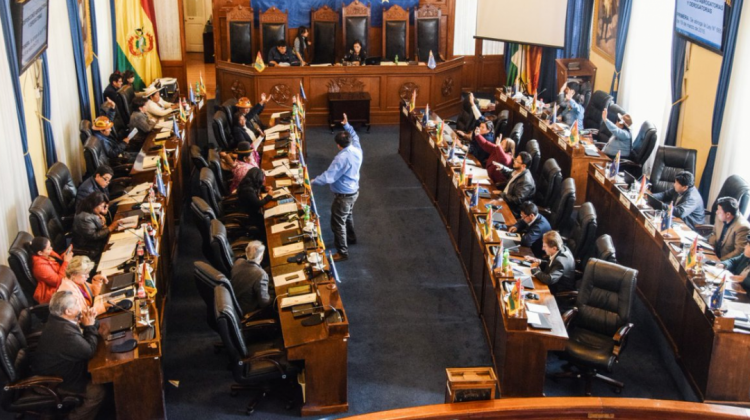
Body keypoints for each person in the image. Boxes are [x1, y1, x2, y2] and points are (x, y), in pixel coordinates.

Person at [33, 291, 106, 420]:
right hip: (62, 380)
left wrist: (90, 323)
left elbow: (83, 338)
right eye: (77, 303)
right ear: (68, 311)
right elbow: (89, 351)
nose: (80, 305)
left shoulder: (57, 320)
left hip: (64, 366)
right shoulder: (64, 333)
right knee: (97, 392)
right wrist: (89, 326)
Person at [312, 113, 363, 262]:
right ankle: (351, 238)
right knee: (347, 215)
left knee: (338, 222)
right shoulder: (356, 148)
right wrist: (346, 125)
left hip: (343, 196)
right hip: (354, 191)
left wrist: (312, 181)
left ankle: (342, 252)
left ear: (338, 145)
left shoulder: (341, 158)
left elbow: (329, 177)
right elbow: (354, 136)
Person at [72, 192, 121, 259]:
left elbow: (100, 228)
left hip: (98, 242)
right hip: (90, 248)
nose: (104, 209)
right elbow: (94, 236)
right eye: (103, 206)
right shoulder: (84, 218)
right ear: (95, 204)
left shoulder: (91, 210)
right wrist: (110, 228)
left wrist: (104, 224)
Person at [231, 241, 275, 315]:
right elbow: (264, 303)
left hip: (235, 303)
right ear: (261, 257)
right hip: (248, 310)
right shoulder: (260, 275)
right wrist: (274, 294)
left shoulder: (238, 262)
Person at [31, 237, 73, 304]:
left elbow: (58, 261)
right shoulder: (40, 266)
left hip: (66, 277)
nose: (51, 249)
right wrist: (66, 262)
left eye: (50, 246)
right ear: (40, 253)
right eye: (48, 248)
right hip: (57, 290)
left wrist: (65, 256)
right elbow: (58, 282)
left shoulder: (47, 253)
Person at [237, 168, 275, 240]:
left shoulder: (248, 182)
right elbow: (258, 203)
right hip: (250, 215)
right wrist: (269, 196)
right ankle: (264, 239)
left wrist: (264, 188)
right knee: (270, 221)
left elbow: (257, 186)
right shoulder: (248, 191)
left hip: (251, 209)